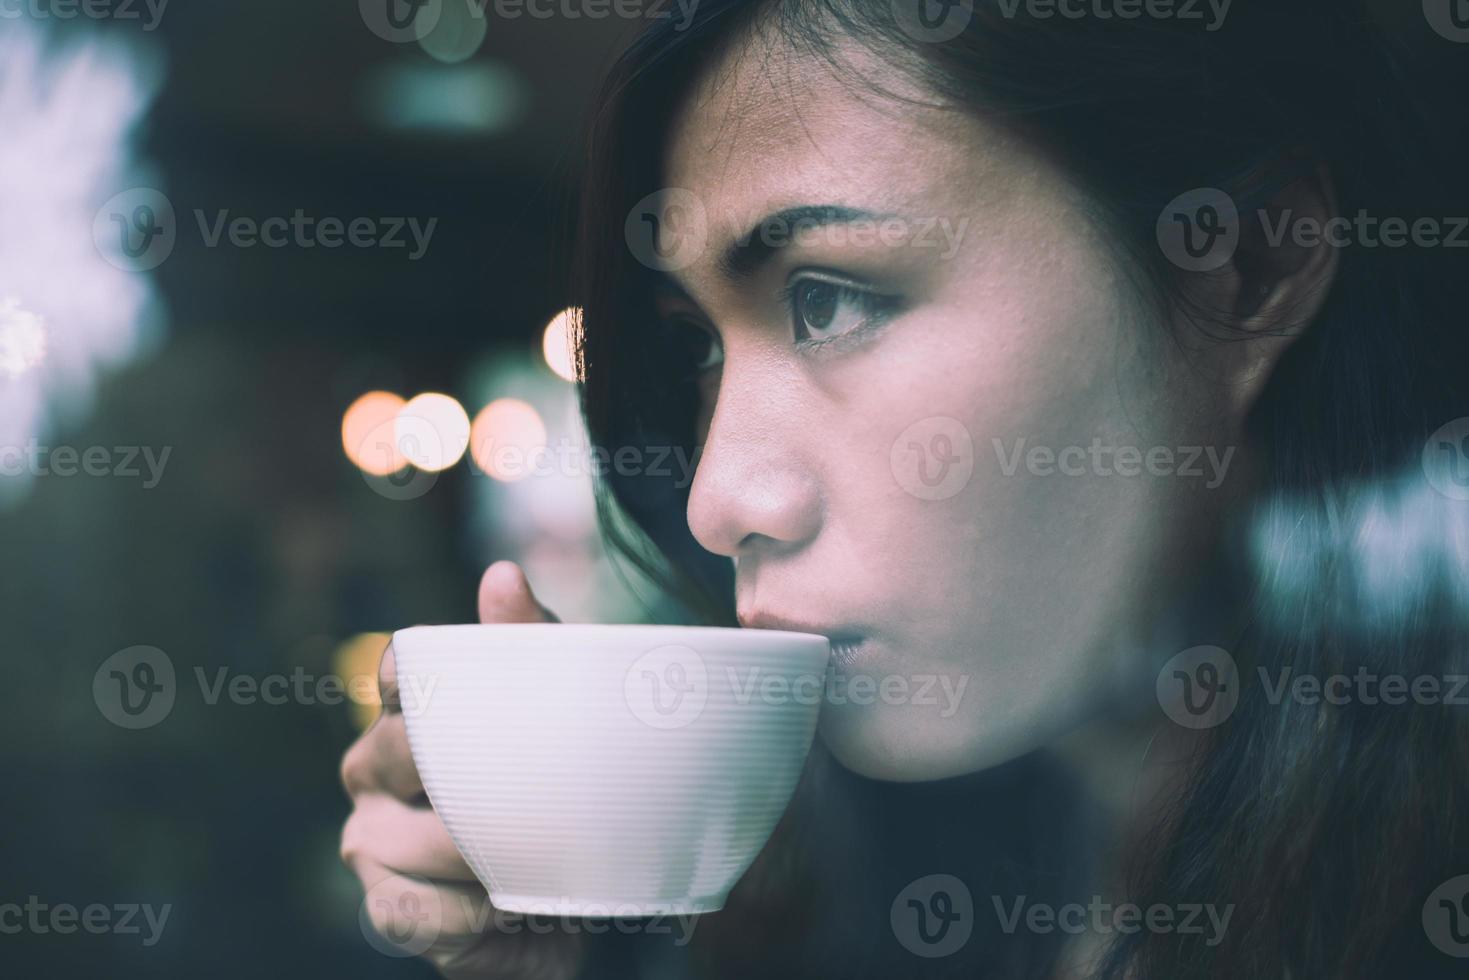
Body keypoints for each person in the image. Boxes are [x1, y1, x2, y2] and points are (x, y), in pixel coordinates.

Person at [342, 1, 1469, 976]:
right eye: (698, 349)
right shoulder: (931, 890)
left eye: (827, 298)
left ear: (1247, 264)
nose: (715, 498)